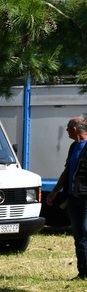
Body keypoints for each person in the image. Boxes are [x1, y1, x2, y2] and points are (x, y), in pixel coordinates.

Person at [45, 116, 87, 279]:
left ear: (75, 129)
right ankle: (83, 272)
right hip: (72, 197)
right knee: (78, 236)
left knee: (85, 230)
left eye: (68, 128)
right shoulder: (73, 147)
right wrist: (55, 192)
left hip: (85, 198)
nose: (67, 130)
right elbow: (66, 172)